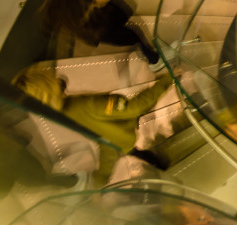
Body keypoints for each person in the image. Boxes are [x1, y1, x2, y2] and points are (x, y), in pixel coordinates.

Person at [13, 62, 173, 180]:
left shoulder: (65, 114)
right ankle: (162, 165)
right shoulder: (85, 105)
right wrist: (167, 80)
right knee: (141, 149)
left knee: (139, 153)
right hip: (123, 134)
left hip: (121, 138)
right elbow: (135, 108)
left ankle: (160, 165)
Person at [38, 0, 160, 65]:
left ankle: (148, 53)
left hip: (103, 23)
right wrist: (97, 1)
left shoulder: (68, 5)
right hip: (103, 27)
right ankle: (151, 57)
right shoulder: (81, 9)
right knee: (132, 36)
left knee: (128, 28)